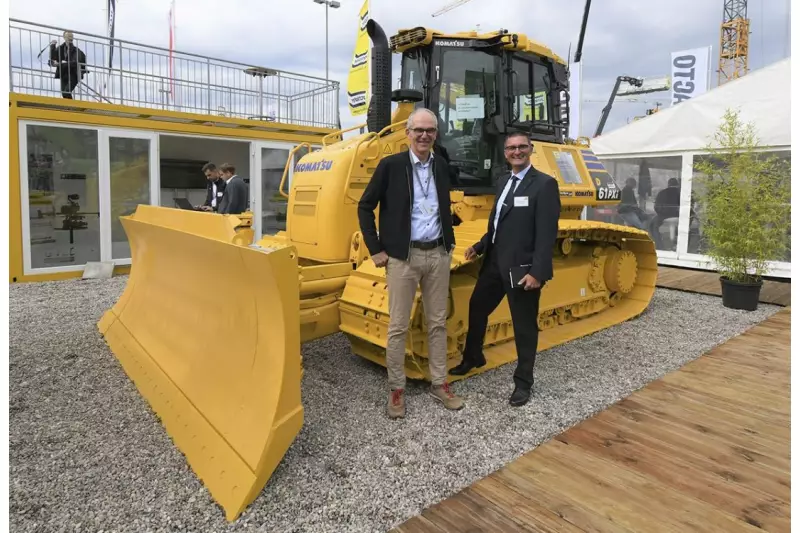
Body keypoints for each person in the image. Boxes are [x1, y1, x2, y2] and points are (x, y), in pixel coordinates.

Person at [357, 107, 464, 419]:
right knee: (398, 325)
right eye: (418, 130)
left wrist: (450, 241)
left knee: (437, 322)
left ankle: (439, 383)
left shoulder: (441, 167)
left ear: (435, 134)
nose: (424, 135)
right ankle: (396, 389)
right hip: (403, 257)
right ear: (407, 132)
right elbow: (365, 206)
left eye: (430, 130)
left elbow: (444, 205)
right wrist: (375, 248)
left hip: (438, 254)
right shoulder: (390, 166)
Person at [448, 131, 561, 407]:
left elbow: (547, 233)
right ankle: (474, 356)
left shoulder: (544, 185)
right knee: (477, 307)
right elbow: (498, 223)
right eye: (511, 148)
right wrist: (480, 245)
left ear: (530, 149)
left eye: (522, 147)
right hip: (495, 262)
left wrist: (538, 272)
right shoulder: (503, 181)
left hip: (521, 269)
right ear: (505, 152)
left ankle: (523, 383)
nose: (517, 152)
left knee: (524, 325)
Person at [49, 31, 86, 99]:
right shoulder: (60, 48)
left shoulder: (76, 51)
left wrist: (60, 64)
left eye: (71, 36)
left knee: (66, 92)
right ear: (64, 37)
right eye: (68, 36)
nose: (70, 38)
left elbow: (75, 63)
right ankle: (70, 108)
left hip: (73, 74)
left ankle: (72, 107)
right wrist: (52, 46)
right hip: (64, 74)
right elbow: (53, 58)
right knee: (64, 93)